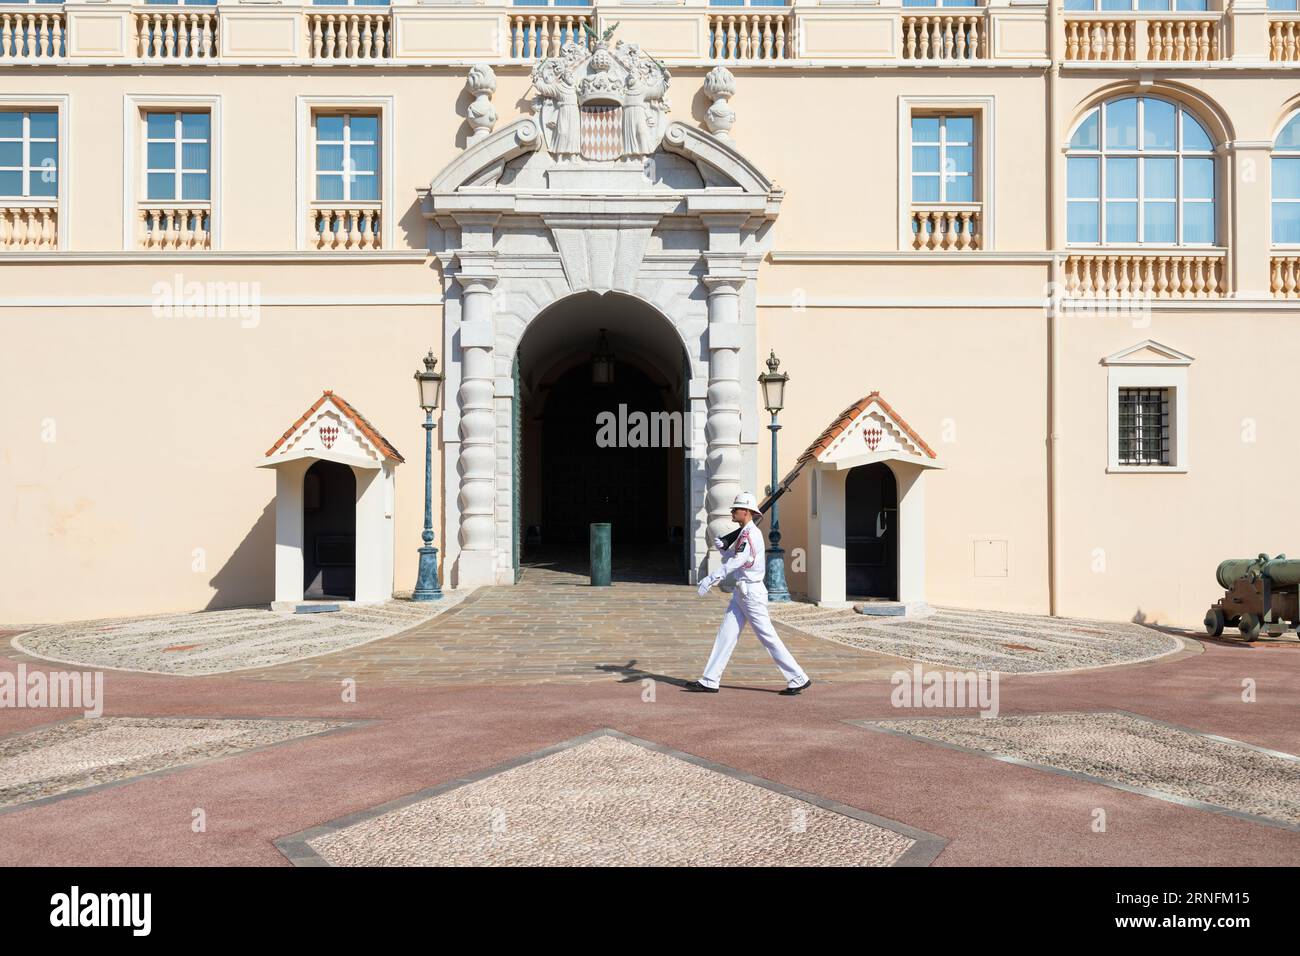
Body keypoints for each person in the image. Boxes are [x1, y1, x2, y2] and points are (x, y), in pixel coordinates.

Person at [685, 492, 813, 696]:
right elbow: (739, 558)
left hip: (751, 593)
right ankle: (710, 679)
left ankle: (798, 677)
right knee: (725, 635)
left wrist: (712, 578)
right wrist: (723, 551)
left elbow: (739, 561)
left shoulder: (750, 534)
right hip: (742, 592)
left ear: (746, 512)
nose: (732, 512)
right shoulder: (745, 533)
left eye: (735, 509)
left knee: (768, 637)